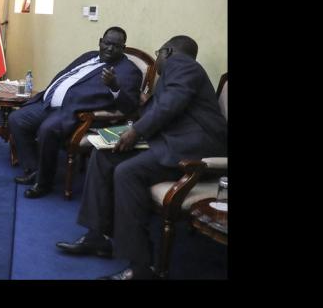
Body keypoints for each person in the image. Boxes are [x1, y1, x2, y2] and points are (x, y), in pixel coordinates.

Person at [56, 36, 227, 279]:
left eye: (158, 54)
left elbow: (170, 105)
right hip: (170, 141)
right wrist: (130, 98)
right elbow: (159, 108)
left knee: (127, 172)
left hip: (192, 150)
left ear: (168, 51)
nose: (157, 60)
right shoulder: (177, 77)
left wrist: (136, 131)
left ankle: (140, 267)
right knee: (104, 157)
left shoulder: (183, 65)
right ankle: (98, 237)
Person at [10, 26, 143, 198]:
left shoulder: (129, 70)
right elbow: (66, 76)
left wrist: (114, 87)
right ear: (100, 42)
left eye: (116, 46)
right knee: (16, 118)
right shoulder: (88, 56)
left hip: (74, 112)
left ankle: (43, 183)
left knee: (47, 129)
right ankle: (34, 169)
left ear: (123, 48)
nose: (110, 48)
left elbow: (130, 106)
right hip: (48, 104)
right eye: (107, 43)